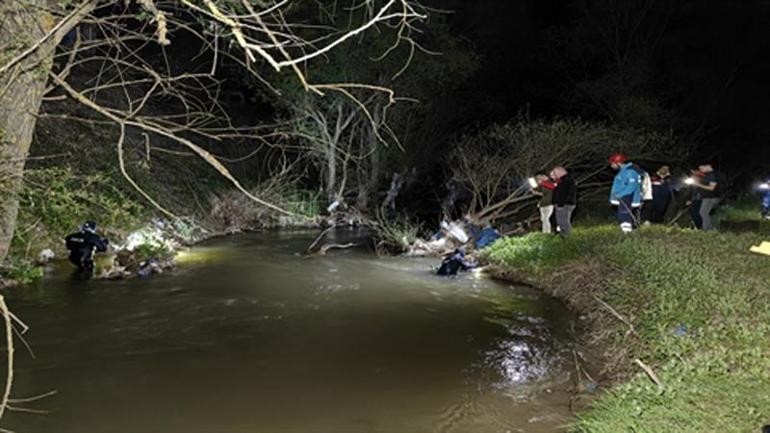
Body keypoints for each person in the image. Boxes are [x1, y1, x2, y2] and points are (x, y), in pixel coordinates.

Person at [608, 153, 642, 233]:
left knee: (624, 214)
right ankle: (628, 232)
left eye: (612, 164)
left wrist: (619, 194)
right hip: (624, 197)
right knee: (624, 214)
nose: (611, 166)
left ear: (618, 163)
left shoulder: (630, 172)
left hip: (627, 197)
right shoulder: (623, 171)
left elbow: (631, 186)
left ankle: (627, 234)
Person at [689, 163, 721, 231]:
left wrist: (698, 184)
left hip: (711, 197)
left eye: (702, 168)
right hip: (706, 197)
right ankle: (707, 228)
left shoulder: (712, 175)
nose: (701, 170)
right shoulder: (708, 175)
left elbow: (711, 188)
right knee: (703, 213)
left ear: (708, 166)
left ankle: (709, 229)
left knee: (703, 213)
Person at [550, 166, 577, 236]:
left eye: (555, 173)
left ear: (560, 172)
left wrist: (560, 204)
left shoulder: (566, 180)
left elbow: (565, 193)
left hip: (565, 204)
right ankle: (563, 235)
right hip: (563, 204)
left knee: (563, 221)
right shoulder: (563, 180)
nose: (555, 175)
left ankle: (568, 237)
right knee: (560, 221)